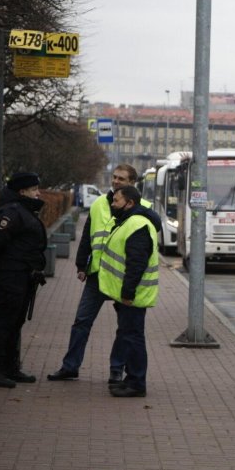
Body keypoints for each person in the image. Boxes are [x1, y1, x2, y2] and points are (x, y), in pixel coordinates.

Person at [48, 164, 158, 385]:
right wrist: (81, 264)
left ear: (132, 184)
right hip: (98, 274)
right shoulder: (99, 203)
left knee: (125, 328)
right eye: (115, 177)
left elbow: (146, 239)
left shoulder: (143, 207)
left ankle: (116, 370)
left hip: (122, 277)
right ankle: (70, 367)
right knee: (82, 321)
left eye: (122, 179)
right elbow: (88, 235)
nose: (116, 181)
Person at [0, 172, 48, 388]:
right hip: (12, 274)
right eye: (34, 189)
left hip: (24, 274)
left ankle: (10, 367)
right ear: (22, 192)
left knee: (15, 322)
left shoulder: (24, 210)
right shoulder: (11, 212)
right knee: (5, 321)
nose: (38, 193)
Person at [98, 186, 159, 397]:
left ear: (130, 203)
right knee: (129, 335)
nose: (113, 205)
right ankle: (132, 379)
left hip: (133, 296)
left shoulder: (137, 226)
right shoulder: (129, 221)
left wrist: (127, 293)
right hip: (128, 295)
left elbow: (136, 264)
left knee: (133, 338)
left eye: (116, 201)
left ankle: (136, 383)